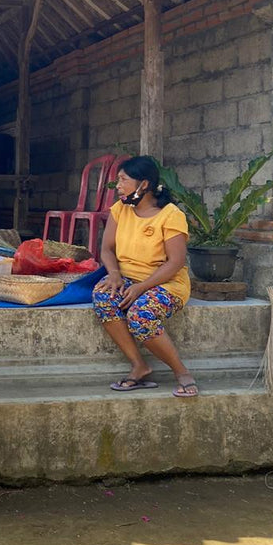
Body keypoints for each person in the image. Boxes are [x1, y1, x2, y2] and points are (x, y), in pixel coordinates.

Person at [92, 155, 197, 398]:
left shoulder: (171, 215)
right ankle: (139, 366)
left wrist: (142, 287)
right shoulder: (120, 209)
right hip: (127, 277)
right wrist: (115, 274)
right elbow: (106, 249)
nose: (117, 186)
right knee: (103, 296)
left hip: (166, 282)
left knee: (141, 314)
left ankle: (181, 372)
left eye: (123, 180)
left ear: (144, 184)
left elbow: (176, 262)